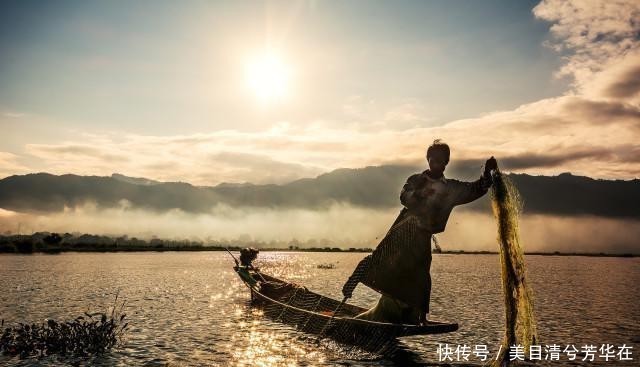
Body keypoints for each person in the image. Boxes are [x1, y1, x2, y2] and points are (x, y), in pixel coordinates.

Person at [341, 139, 498, 324]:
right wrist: (421, 195)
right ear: (428, 160)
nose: (436, 163)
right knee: (380, 259)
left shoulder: (451, 189)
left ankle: (419, 316)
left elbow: (475, 189)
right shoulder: (416, 180)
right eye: (433, 160)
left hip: (422, 236)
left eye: (440, 160)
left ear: (446, 162)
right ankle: (351, 285)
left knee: (421, 275)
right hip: (403, 230)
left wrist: (487, 174)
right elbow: (404, 196)